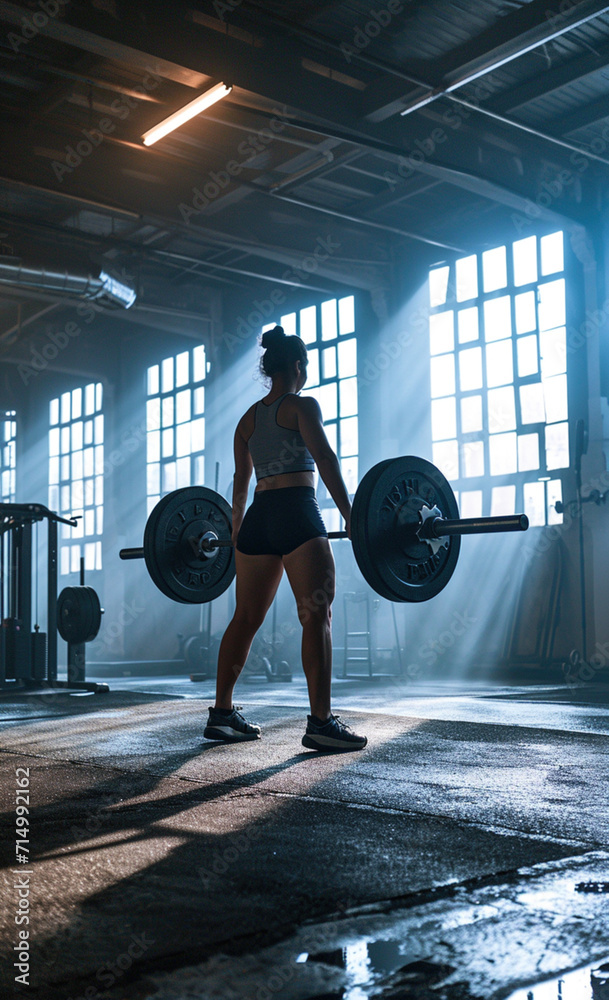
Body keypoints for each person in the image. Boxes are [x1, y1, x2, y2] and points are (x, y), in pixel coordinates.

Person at [204, 326, 367, 751]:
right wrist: (352, 515)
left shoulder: (247, 420)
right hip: (296, 511)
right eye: (306, 364)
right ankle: (321, 722)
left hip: (259, 519)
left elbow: (241, 481)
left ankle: (222, 714)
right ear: (298, 366)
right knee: (316, 615)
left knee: (245, 618)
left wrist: (238, 528)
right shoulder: (301, 406)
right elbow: (326, 460)